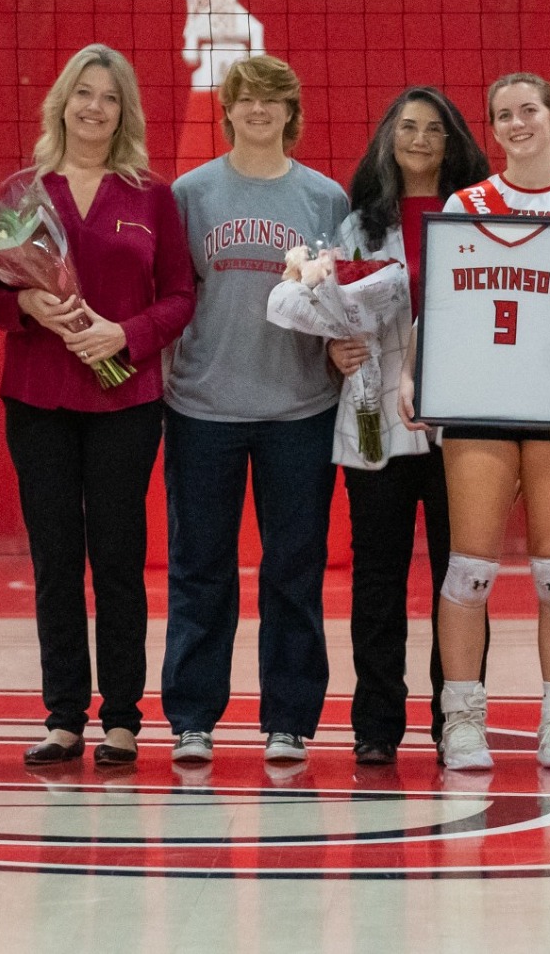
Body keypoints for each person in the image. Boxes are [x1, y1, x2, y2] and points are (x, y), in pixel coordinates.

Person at [0, 44, 196, 766]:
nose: (94, 107)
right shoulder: (20, 194)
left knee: (118, 557)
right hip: (38, 397)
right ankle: (64, 713)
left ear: (123, 112)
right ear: (62, 102)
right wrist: (30, 304)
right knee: (54, 556)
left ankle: (124, 717)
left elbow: (179, 298)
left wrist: (122, 336)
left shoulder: (151, 196)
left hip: (126, 400)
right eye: (83, 93)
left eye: (109, 97)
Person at [266, 87, 490, 764]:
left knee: (464, 576)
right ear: (388, 138)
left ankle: (457, 718)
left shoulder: (478, 214)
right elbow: (328, 302)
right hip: (374, 415)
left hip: (466, 417)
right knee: (378, 577)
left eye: (434, 129)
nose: (420, 139)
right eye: (408, 128)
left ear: (454, 141)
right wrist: (334, 344)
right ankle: (376, 725)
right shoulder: (358, 224)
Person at [164, 55, 350, 765]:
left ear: (290, 112)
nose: (260, 111)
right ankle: (192, 718)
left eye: (275, 100)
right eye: (248, 99)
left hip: (299, 408)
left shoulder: (325, 199)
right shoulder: (192, 193)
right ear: (230, 109)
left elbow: (340, 302)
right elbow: (177, 298)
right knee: (200, 568)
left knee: (293, 570)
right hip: (203, 406)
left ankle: (289, 720)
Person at [430, 72, 550, 771]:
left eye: (528, 110)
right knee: (469, 571)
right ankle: (465, 720)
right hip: (480, 404)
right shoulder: (468, 204)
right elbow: (446, 310)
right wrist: (425, 379)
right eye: (502, 114)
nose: (516, 123)